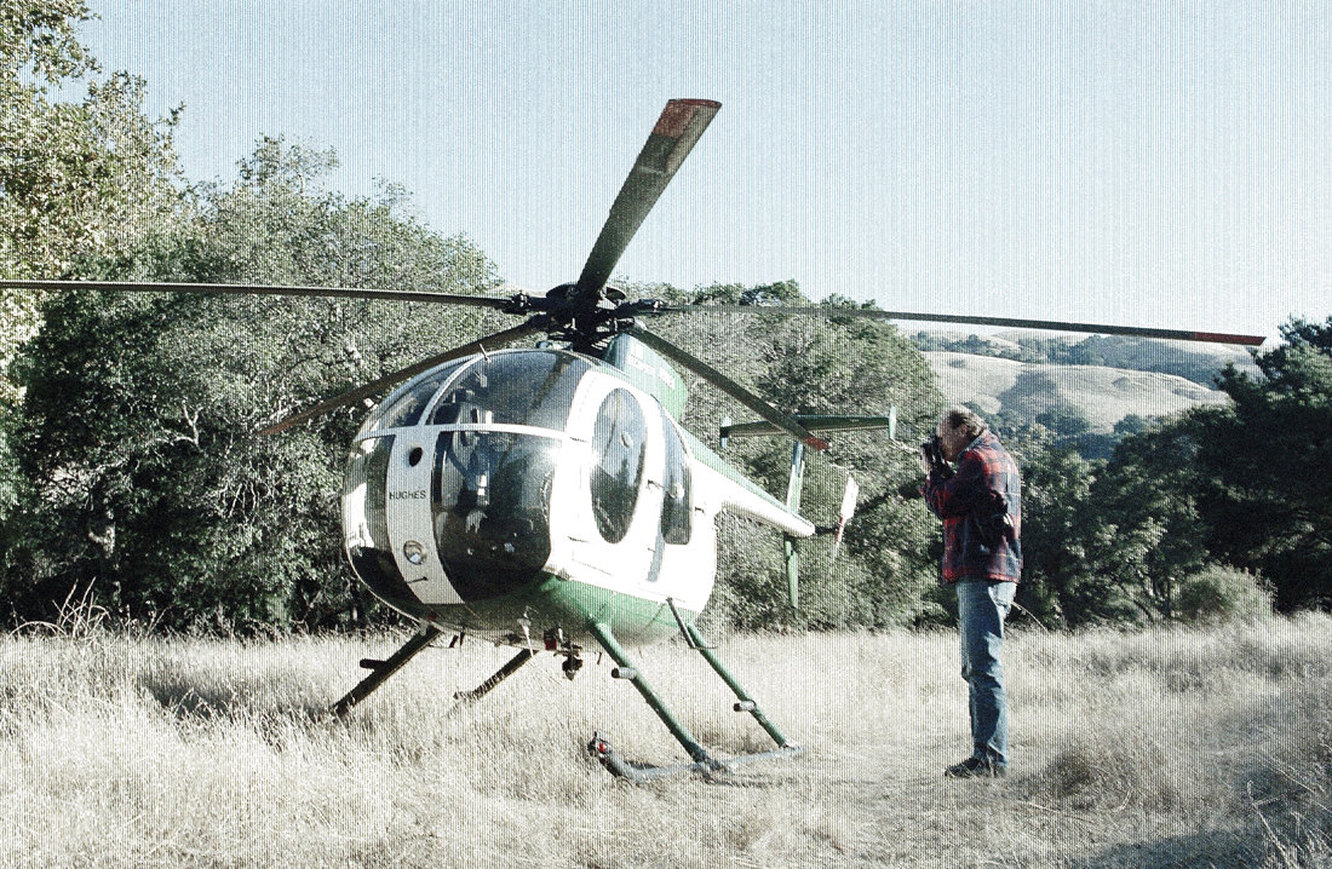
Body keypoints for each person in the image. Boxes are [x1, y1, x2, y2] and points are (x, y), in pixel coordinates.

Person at [919, 407, 1022, 779]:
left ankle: (990, 758)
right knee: (978, 667)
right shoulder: (992, 456)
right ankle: (987, 755)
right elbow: (962, 499)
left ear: (964, 429)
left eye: (944, 435)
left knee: (982, 667)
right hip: (990, 571)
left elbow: (944, 503)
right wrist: (943, 471)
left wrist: (931, 472)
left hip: (983, 571)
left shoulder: (978, 459)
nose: (940, 444)